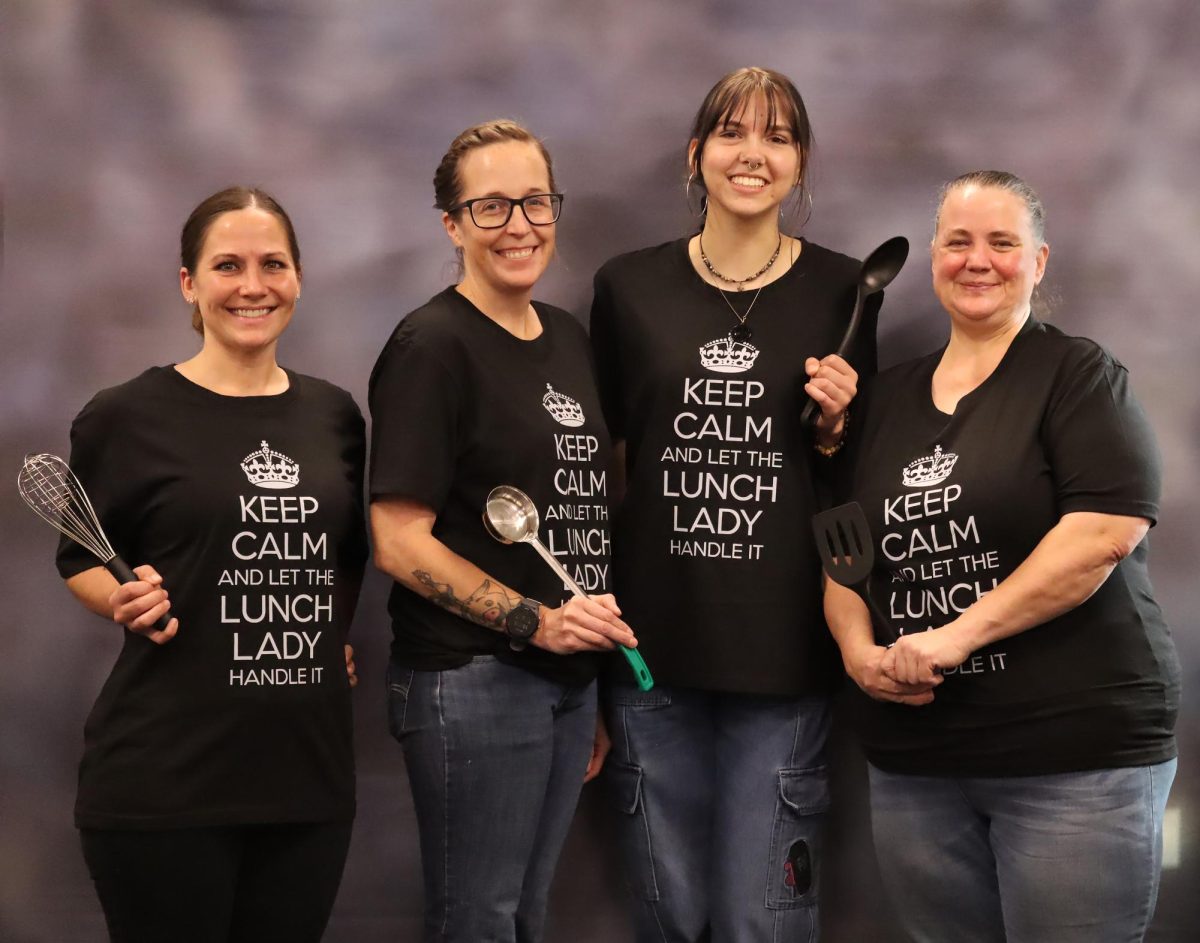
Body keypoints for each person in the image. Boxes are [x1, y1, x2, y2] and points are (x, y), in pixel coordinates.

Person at [824, 170, 1180, 943]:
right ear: (932, 259)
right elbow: (842, 552)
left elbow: (1103, 534)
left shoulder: (1078, 376)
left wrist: (954, 637)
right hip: (918, 763)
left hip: (1071, 757)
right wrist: (858, 652)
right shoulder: (882, 403)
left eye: (1001, 242)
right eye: (958, 242)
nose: (977, 260)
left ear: (1039, 261)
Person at [588, 67, 878, 941]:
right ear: (696, 153)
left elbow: (856, 478)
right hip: (650, 653)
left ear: (799, 165)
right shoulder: (626, 286)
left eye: (778, 136)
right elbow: (601, 466)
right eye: (732, 132)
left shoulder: (847, 290)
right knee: (666, 917)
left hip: (786, 652)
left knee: (763, 919)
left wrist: (833, 430)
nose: (753, 153)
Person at [56, 186, 368, 942]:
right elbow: (78, 557)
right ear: (190, 283)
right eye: (228, 265)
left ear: (298, 277)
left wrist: (326, 635)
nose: (253, 285)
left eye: (273, 263)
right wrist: (121, 597)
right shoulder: (125, 415)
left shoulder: (335, 416)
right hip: (166, 787)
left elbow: (341, 559)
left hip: (307, 783)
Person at [368, 119, 636, 943]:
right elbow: (398, 538)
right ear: (452, 224)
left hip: (562, 681)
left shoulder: (566, 339)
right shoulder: (432, 346)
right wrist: (535, 623)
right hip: (473, 680)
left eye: (534, 201)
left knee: (523, 914)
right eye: (491, 206)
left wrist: (579, 664)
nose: (519, 224)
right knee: (478, 919)